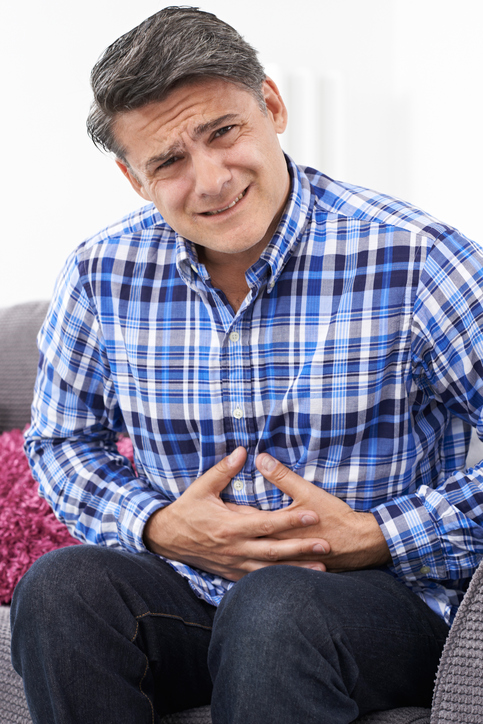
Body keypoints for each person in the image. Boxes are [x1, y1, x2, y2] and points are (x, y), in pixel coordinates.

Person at [10, 6, 483, 723]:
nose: (208, 180)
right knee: (61, 586)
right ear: (134, 178)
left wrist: (378, 535)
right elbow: (60, 442)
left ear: (270, 105)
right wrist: (156, 525)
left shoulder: (418, 257)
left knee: (274, 607)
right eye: (167, 161)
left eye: (222, 132)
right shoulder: (99, 273)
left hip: (382, 603)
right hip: (190, 596)